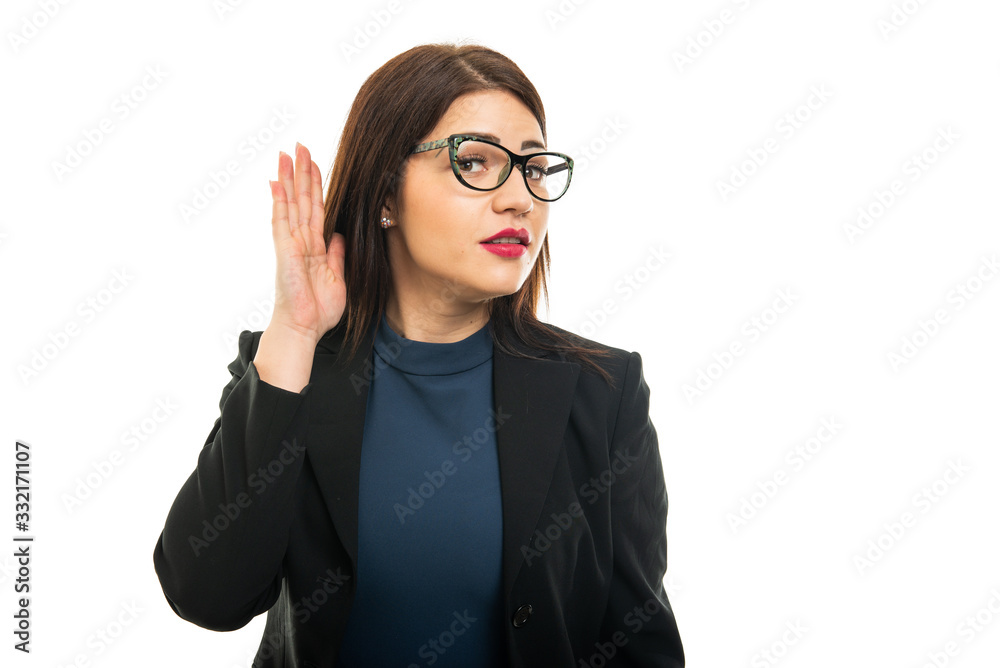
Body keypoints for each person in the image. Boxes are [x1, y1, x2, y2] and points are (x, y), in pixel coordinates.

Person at [152, 42, 684, 667]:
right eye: (477, 162)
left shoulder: (605, 390)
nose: (520, 198)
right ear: (384, 197)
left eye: (534, 168)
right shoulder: (290, 372)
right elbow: (208, 597)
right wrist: (293, 333)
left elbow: (639, 644)